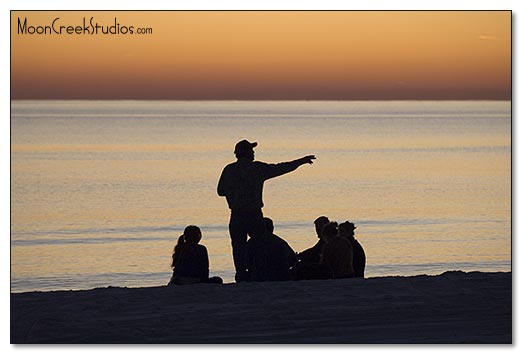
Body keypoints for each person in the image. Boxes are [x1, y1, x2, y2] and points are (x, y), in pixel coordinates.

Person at [217, 139, 316, 282]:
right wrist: (300, 161)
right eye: (251, 150)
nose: (253, 153)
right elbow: (281, 168)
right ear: (246, 152)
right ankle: (259, 273)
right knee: (261, 246)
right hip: (254, 214)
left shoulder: (229, 169)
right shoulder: (257, 168)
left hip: (237, 215)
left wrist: (235, 192)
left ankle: (241, 275)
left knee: (238, 247)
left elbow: (220, 191)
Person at [246, 217, 298, 281]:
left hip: (261, 277)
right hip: (283, 276)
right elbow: (293, 260)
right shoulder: (280, 241)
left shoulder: (252, 242)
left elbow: (246, 263)